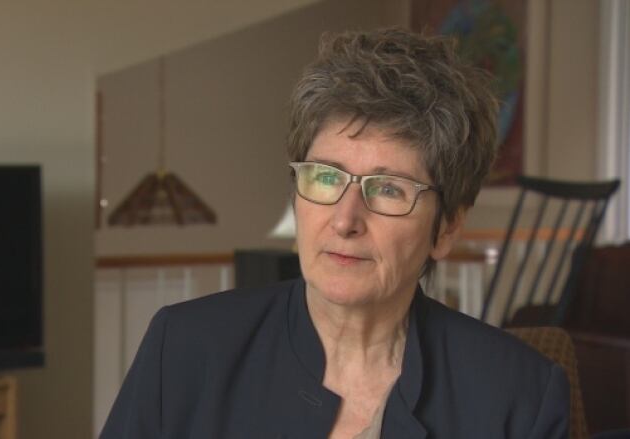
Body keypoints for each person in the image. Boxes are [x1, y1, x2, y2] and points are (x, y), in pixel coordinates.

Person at [100, 27, 569, 439]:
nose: (345, 220)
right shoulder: (184, 347)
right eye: (326, 177)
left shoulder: (519, 396)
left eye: (388, 188)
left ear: (446, 227)